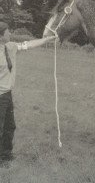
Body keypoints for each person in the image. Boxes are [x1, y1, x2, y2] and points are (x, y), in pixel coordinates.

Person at [0, 22, 56, 164]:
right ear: (1, 35)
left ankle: (5, 156)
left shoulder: (11, 47)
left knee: (9, 127)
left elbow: (29, 44)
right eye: (7, 32)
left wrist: (48, 39)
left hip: (7, 95)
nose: (10, 34)